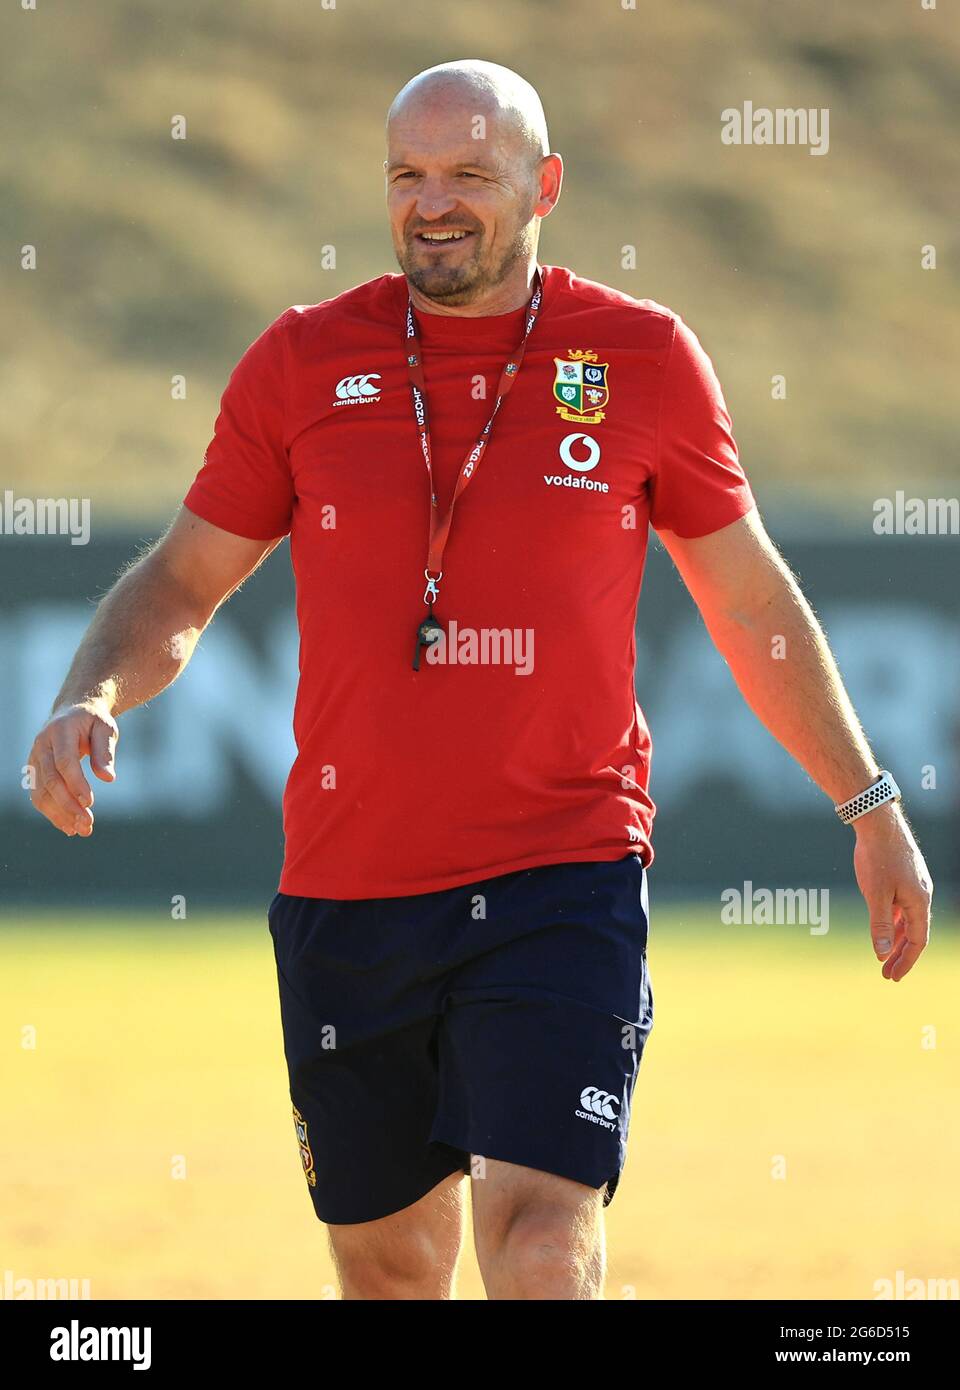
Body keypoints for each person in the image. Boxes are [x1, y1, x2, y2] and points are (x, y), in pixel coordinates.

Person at [26, 60, 932, 1301]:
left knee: (542, 1240)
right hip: (350, 888)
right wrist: (93, 691)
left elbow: (751, 600)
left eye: (468, 174)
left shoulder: (643, 358)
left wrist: (866, 801)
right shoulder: (301, 364)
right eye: (407, 174)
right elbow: (182, 583)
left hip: (565, 871)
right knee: (391, 1271)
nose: (432, 203)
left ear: (545, 184)